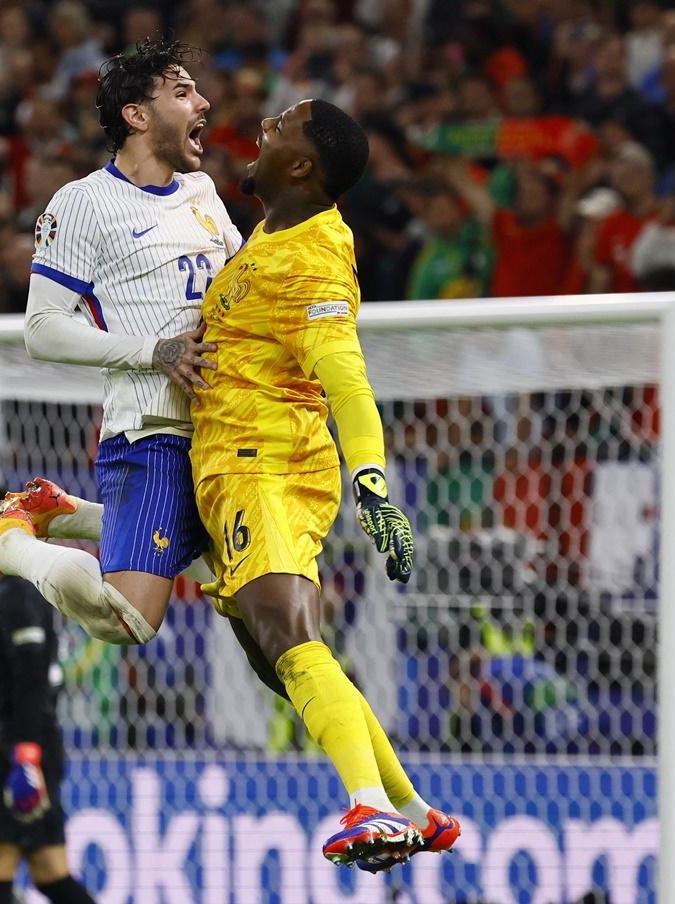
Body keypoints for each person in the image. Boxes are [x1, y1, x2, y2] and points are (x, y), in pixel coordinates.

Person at [187, 98, 461, 871]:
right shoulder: (266, 239)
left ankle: (369, 809)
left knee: (292, 641)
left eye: (275, 129)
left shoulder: (311, 256)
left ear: (303, 165)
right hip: (229, 463)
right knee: (280, 662)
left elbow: (346, 380)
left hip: (265, 464)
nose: (257, 131)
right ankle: (416, 810)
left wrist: (371, 478)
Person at [0, 37, 241, 647]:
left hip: (223, 426)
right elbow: (41, 329)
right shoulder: (83, 203)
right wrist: (155, 351)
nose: (203, 102)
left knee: (244, 583)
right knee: (131, 619)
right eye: (182, 92)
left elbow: (239, 283)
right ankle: (11, 544)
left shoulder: (203, 195)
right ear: (137, 116)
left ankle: (60, 511)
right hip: (152, 431)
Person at [0, 487, 97, 904]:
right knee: (50, 872)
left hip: (15, 749)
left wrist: (25, 757)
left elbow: (32, 680)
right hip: (20, 743)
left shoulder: (17, 592)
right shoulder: (7, 588)